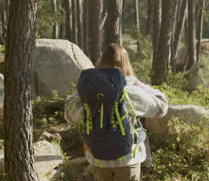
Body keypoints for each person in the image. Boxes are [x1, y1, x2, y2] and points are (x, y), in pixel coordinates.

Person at [64, 44, 168, 181]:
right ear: (125, 64)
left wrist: (81, 92)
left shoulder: (88, 92)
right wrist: (141, 85)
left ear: (101, 62)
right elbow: (162, 106)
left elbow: (69, 116)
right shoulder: (130, 90)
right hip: (127, 159)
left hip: (97, 158)